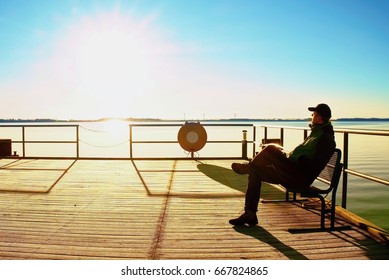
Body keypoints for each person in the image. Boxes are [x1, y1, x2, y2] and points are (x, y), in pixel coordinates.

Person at [229, 103, 336, 226]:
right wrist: (289, 158)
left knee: (270, 149)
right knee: (255, 172)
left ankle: (248, 166)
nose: (311, 116)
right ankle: (250, 213)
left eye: (313, 114)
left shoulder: (326, 138)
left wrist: (294, 160)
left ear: (319, 118)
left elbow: (314, 165)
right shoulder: (315, 133)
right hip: (292, 171)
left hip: (299, 177)